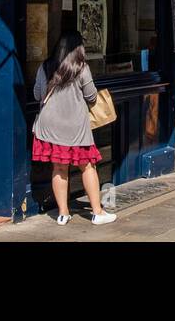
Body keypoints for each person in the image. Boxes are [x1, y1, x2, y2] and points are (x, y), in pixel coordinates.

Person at [32, 31, 116, 225]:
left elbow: (37, 95)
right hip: (74, 128)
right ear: (78, 48)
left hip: (49, 126)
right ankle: (97, 212)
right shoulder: (81, 68)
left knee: (59, 168)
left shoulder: (45, 66)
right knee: (87, 166)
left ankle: (62, 213)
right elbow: (92, 97)